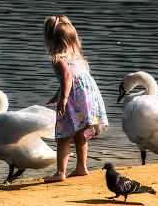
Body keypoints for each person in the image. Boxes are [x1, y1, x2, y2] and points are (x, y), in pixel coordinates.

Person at [43, 15, 109, 183]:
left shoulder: (58, 59)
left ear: (51, 40)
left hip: (74, 101)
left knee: (64, 137)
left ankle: (60, 173)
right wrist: (57, 95)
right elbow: (71, 79)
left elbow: (66, 76)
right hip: (88, 101)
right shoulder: (77, 59)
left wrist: (63, 98)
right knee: (80, 135)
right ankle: (81, 167)